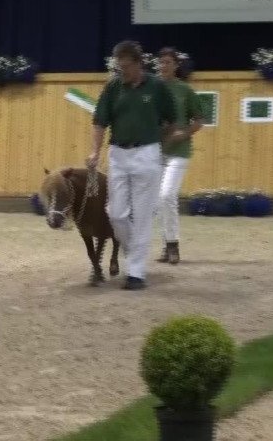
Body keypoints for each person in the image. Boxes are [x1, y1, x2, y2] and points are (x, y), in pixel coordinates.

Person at [86, 40, 177, 290]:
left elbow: (171, 121)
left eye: (126, 66)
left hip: (147, 154)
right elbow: (99, 122)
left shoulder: (157, 87)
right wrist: (95, 151)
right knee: (116, 213)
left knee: (143, 215)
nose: (122, 71)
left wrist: (160, 146)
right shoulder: (113, 88)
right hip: (118, 154)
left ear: (139, 64)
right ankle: (133, 250)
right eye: (119, 66)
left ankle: (136, 273)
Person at [156, 47, 205, 265]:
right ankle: (166, 245)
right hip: (155, 152)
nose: (163, 66)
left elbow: (199, 120)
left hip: (179, 152)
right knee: (157, 201)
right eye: (161, 62)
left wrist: (183, 133)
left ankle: (173, 245)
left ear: (176, 65)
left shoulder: (185, 90)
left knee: (167, 195)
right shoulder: (151, 89)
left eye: (168, 62)